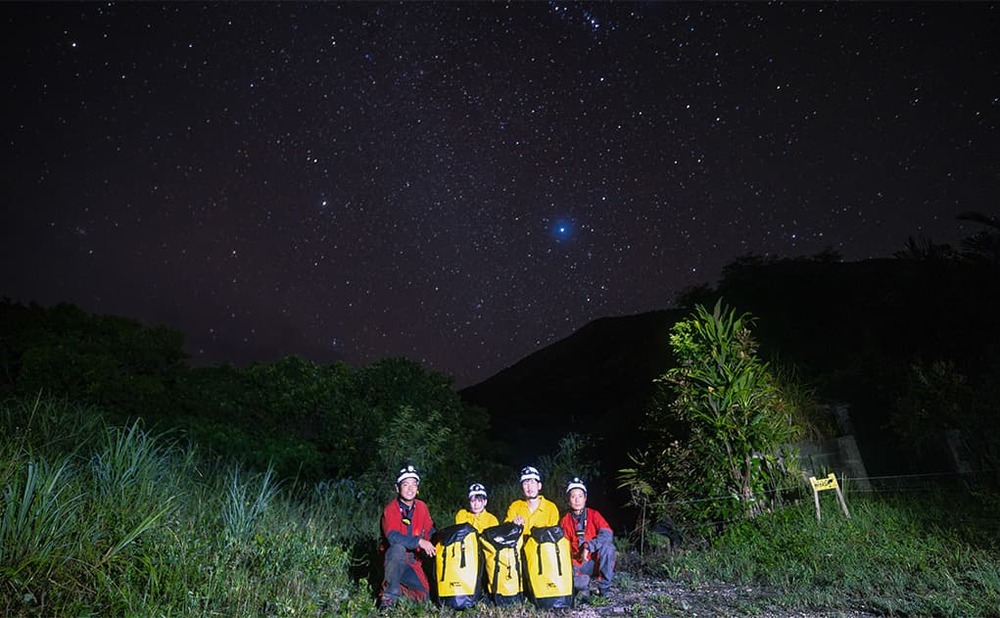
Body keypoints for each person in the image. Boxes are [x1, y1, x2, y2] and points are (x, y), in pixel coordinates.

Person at [379, 464, 436, 609]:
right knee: (397, 549)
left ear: (417, 488)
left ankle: (400, 591)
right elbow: (392, 537)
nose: (410, 488)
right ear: (397, 488)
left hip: (413, 561)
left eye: (413, 484)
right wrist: (419, 542)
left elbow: (430, 531)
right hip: (395, 560)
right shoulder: (391, 509)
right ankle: (388, 598)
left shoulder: (422, 507)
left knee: (423, 598)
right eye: (405, 484)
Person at [559, 477, 616, 602]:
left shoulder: (594, 514)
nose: (577, 500)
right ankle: (584, 586)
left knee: (608, 548)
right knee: (575, 582)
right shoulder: (564, 520)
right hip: (576, 564)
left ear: (585, 498)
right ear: (568, 499)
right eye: (573, 496)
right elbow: (562, 547)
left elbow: (607, 534)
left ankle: (604, 588)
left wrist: (589, 546)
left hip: (594, 561)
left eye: (580, 496)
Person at [504, 466, 559, 538]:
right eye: (525, 483)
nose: (529, 487)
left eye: (532, 482)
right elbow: (505, 530)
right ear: (522, 488)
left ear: (539, 486)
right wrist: (513, 525)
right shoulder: (515, 506)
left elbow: (554, 535)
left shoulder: (551, 508)